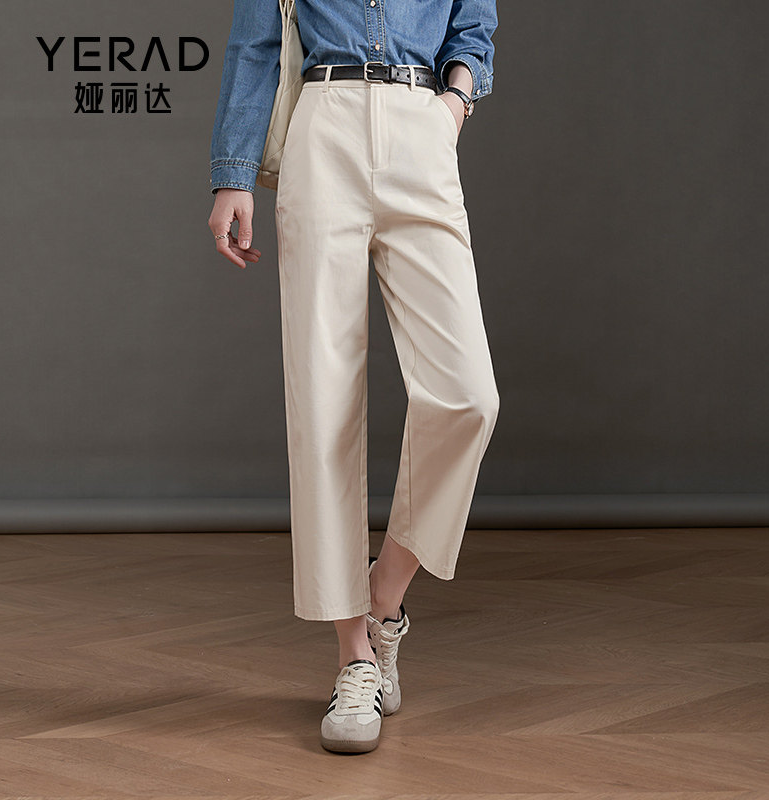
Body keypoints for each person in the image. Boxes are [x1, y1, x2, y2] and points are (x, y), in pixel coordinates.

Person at [207, 0, 499, 754]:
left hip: (421, 125)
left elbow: (474, 22)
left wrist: (453, 106)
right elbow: (255, 40)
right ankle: (354, 657)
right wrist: (233, 173)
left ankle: (381, 596)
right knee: (323, 399)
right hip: (324, 124)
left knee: (468, 398)